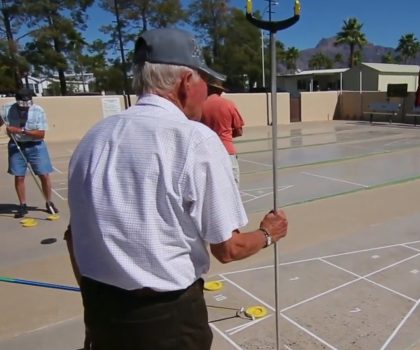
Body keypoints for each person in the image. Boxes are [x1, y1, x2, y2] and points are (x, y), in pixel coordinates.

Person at [66, 27, 288, 350]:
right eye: (204, 82)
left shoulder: (93, 138)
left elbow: (74, 238)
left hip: (102, 313)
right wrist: (269, 233)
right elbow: (229, 248)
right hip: (167, 322)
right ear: (186, 82)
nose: (207, 92)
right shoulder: (193, 140)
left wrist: (93, 311)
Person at [0, 88, 58, 218]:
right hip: (16, 145)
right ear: (17, 101)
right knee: (19, 176)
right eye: (22, 106)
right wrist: (6, 126)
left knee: (44, 175)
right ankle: (22, 205)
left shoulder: (38, 110)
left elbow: (40, 134)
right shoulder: (6, 109)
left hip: (36, 146)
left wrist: (20, 130)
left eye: (27, 105)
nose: (25, 109)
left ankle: (49, 202)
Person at [201, 80, 245, 185]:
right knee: (232, 186)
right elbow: (239, 131)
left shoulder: (200, 106)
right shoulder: (229, 105)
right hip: (227, 150)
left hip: (207, 151)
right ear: (220, 91)